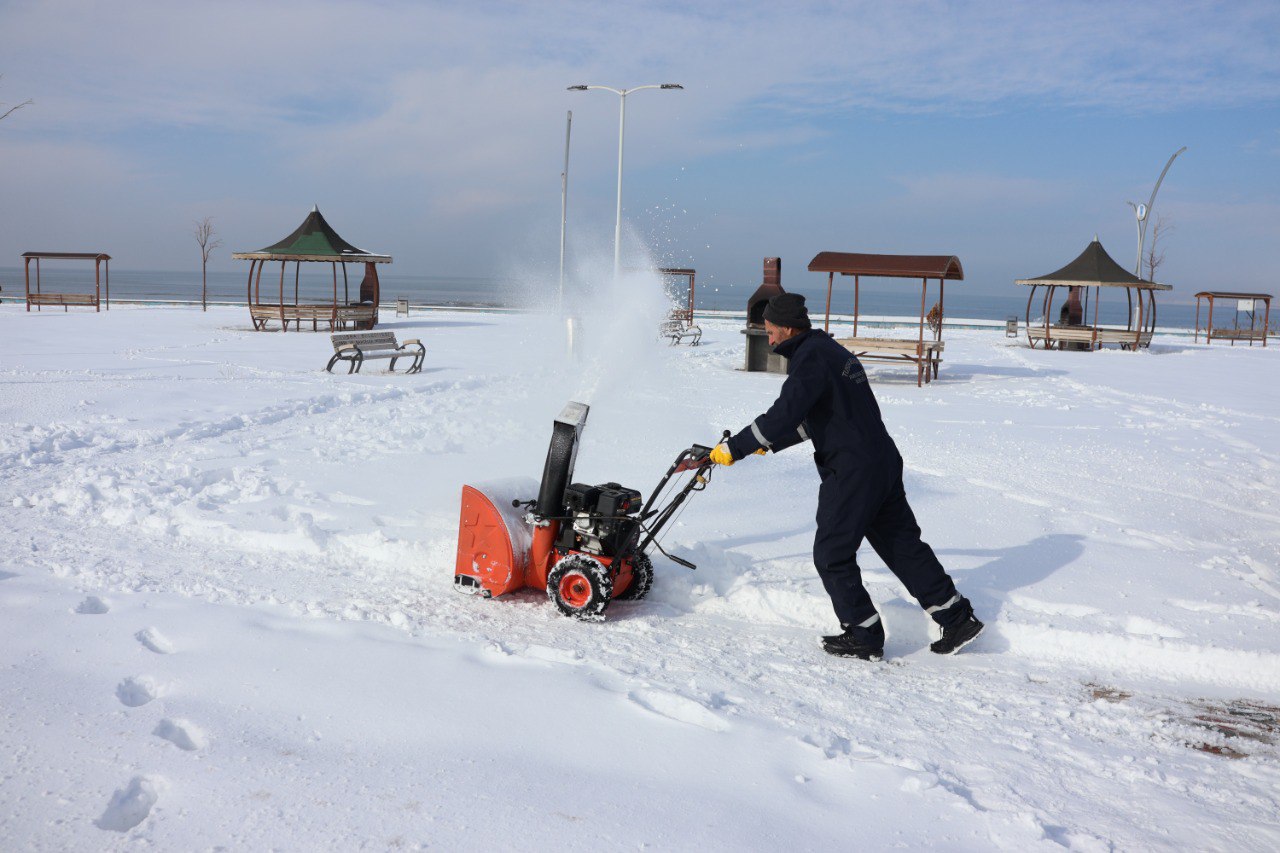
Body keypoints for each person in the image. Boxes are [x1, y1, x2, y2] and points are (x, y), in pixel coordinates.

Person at [709, 292, 983, 661]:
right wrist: (768, 445)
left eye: (771, 331)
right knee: (902, 545)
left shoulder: (809, 360)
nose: (768, 338)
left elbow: (783, 414)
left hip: (853, 470)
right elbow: (821, 417)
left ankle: (863, 634)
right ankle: (958, 618)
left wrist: (736, 447)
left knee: (832, 553)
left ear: (788, 328)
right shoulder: (831, 352)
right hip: (880, 461)